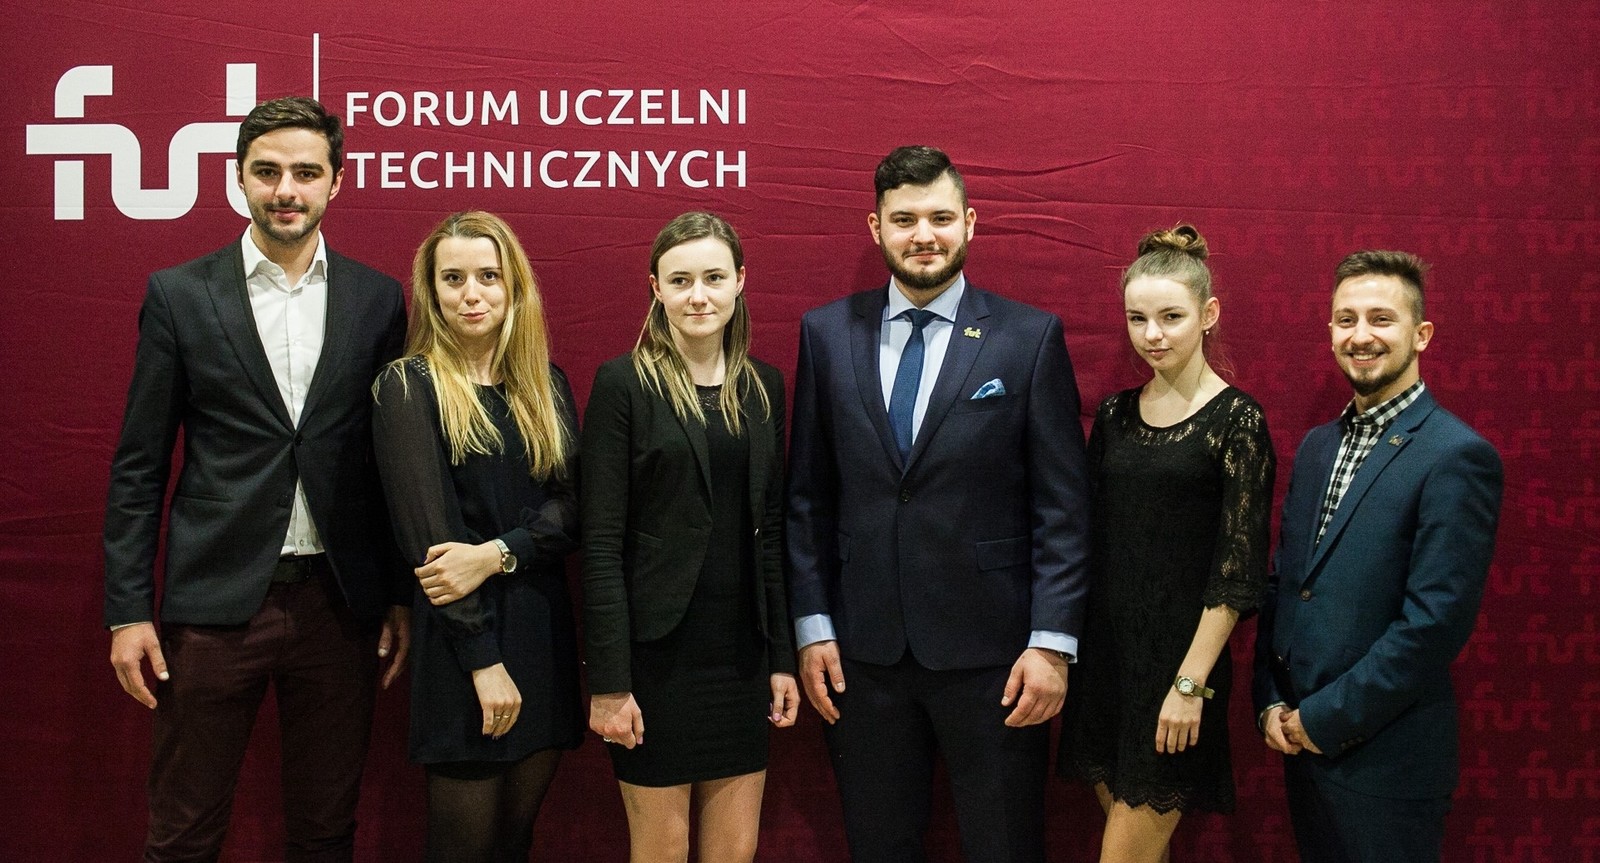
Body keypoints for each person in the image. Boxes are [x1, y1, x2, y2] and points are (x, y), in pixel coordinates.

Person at [102, 96, 409, 861]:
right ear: (238, 177)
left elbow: (389, 465)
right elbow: (140, 465)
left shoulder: (377, 299)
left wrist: (398, 593)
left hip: (338, 607)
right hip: (212, 606)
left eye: (306, 172)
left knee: (325, 833)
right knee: (183, 834)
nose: (286, 189)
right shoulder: (180, 294)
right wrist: (127, 610)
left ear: (337, 180)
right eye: (267, 171)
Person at [786, 145, 1091, 862]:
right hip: (862, 659)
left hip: (998, 662)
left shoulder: (1029, 337)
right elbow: (806, 498)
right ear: (876, 227)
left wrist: (1052, 644)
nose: (924, 234)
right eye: (905, 219)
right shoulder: (825, 334)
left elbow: (1063, 510)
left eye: (941, 217)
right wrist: (812, 627)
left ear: (970, 223)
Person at [1253, 250, 1504, 863]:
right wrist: (1270, 699)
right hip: (1301, 752)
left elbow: (1434, 625)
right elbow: (1285, 584)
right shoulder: (1318, 446)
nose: (1360, 335)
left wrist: (1322, 720)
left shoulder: (1457, 456)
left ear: (1422, 335)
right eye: (1346, 320)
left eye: (1381, 319)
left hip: (1388, 766)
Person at [582, 211, 799, 863]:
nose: (698, 295)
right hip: (655, 663)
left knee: (734, 852)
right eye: (680, 280)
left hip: (740, 659)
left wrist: (781, 657)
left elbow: (771, 534)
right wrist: (610, 683)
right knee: (661, 851)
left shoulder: (764, 386)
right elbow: (600, 544)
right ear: (656, 288)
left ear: (740, 281)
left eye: (713, 277)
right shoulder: (623, 383)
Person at [1058, 226, 1275, 863]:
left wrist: (1189, 685)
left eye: (1171, 317)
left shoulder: (1238, 420)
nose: (1152, 334)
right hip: (1105, 663)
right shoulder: (1115, 415)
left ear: (1208, 315)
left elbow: (1238, 571)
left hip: (1179, 670)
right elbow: (1089, 539)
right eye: (1138, 318)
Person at [371, 211, 583, 861]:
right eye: (453, 278)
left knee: (514, 844)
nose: (472, 293)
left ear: (513, 285)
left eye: (488, 276)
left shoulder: (545, 383)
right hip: (462, 645)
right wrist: (483, 664)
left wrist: (497, 553)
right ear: (431, 291)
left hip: (541, 633)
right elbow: (433, 545)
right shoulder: (407, 386)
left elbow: (575, 509)